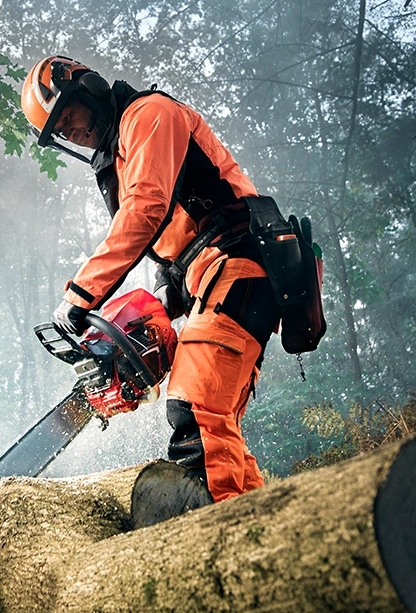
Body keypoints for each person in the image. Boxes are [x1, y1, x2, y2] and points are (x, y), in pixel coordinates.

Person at [21, 55, 285, 508]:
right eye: (61, 132)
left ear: (89, 89)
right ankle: (263, 525)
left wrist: (81, 295)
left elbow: (146, 208)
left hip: (239, 265)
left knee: (194, 409)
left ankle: (215, 536)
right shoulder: (122, 152)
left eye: (69, 117)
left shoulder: (149, 114)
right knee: (213, 420)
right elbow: (177, 243)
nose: (71, 132)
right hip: (213, 274)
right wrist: (152, 312)